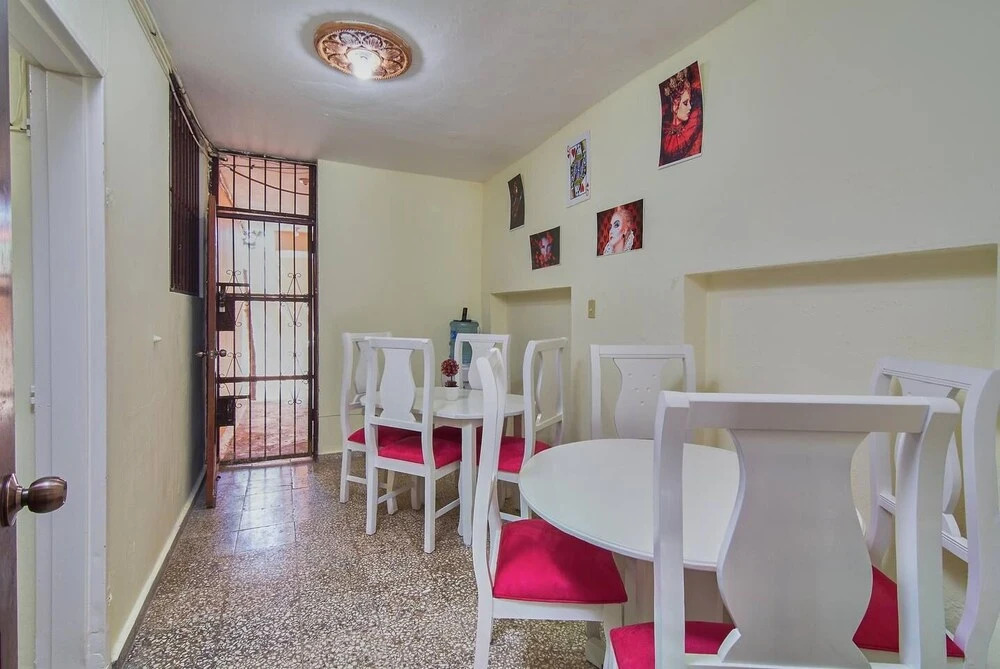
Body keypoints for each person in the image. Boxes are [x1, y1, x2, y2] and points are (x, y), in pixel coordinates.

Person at [660, 66, 703, 166]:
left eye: (689, 102)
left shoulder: (693, 125)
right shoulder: (665, 133)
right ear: (675, 106)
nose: (690, 107)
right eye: (685, 103)